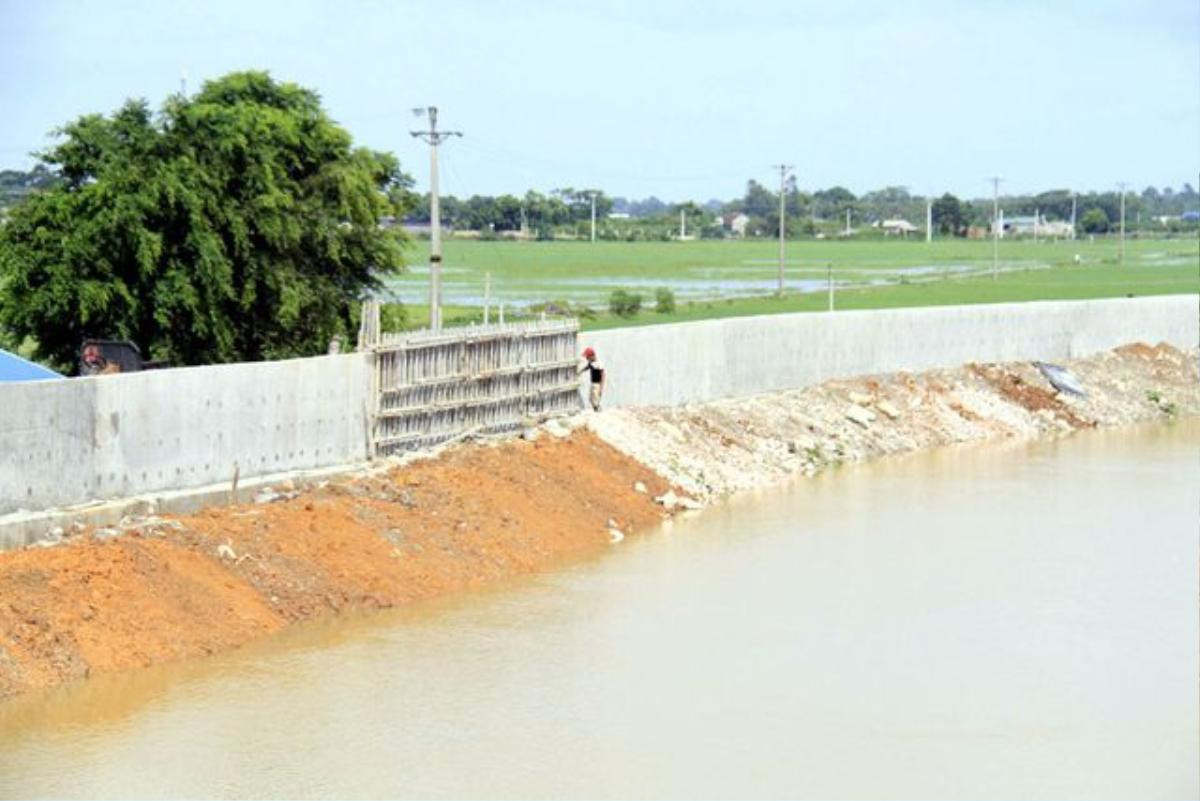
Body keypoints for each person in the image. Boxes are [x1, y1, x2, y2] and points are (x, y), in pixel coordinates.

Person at [577, 346, 605, 411]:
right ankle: (596, 409)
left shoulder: (599, 363)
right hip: (593, 383)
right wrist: (580, 371)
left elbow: (603, 375)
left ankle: (598, 410)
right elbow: (587, 367)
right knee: (591, 398)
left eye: (587, 357)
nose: (586, 358)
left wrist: (601, 387)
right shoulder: (591, 363)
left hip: (597, 384)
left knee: (595, 398)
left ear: (592, 356)